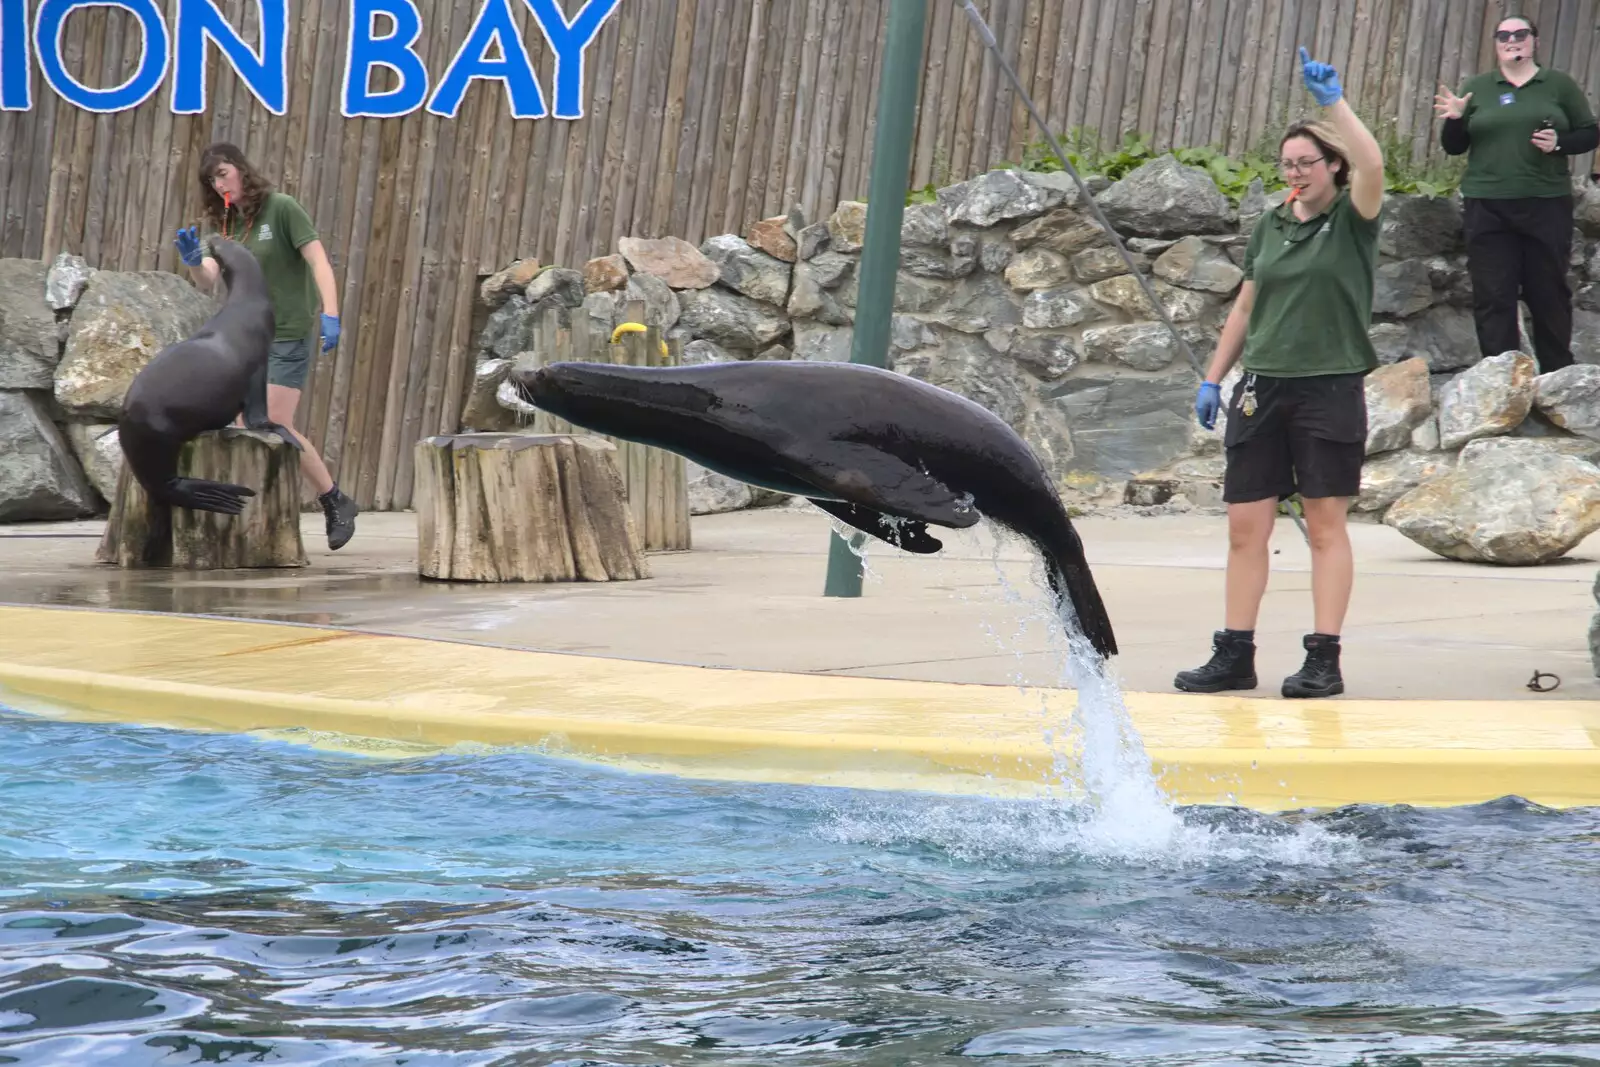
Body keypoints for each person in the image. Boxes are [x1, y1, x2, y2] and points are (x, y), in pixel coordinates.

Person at [1175, 47, 1385, 700]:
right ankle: (1234, 652)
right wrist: (1214, 377)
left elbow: (1374, 162)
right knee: (1246, 524)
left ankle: (1324, 657)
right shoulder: (1270, 225)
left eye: (1308, 162)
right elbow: (1246, 302)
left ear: (1332, 168)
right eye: (1288, 163)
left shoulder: (1353, 219)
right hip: (1261, 388)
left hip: (1329, 384)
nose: (1296, 172)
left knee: (1324, 524)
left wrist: (1332, 103)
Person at [172, 143, 359, 550]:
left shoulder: (281, 207)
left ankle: (335, 500)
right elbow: (209, 280)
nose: (219, 183)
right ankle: (250, 520)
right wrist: (191, 260)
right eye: (211, 179)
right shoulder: (224, 224)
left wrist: (331, 313)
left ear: (240, 169)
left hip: (288, 329)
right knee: (244, 425)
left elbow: (318, 261)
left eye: (223, 173)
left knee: (274, 421)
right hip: (246, 337)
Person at [1434, 14, 1598, 373]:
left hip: (1545, 202)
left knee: (1548, 293)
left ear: (1535, 41)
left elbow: (1590, 133)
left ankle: (1557, 375)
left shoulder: (1557, 85)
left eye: (1520, 33)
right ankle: (1501, 377)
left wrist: (1559, 143)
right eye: (1503, 35)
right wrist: (1457, 118)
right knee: (1493, 295)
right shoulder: (1479, 86)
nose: (1512, 40)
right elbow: (1454, 147)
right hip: (1487, 204)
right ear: (1496, 44)